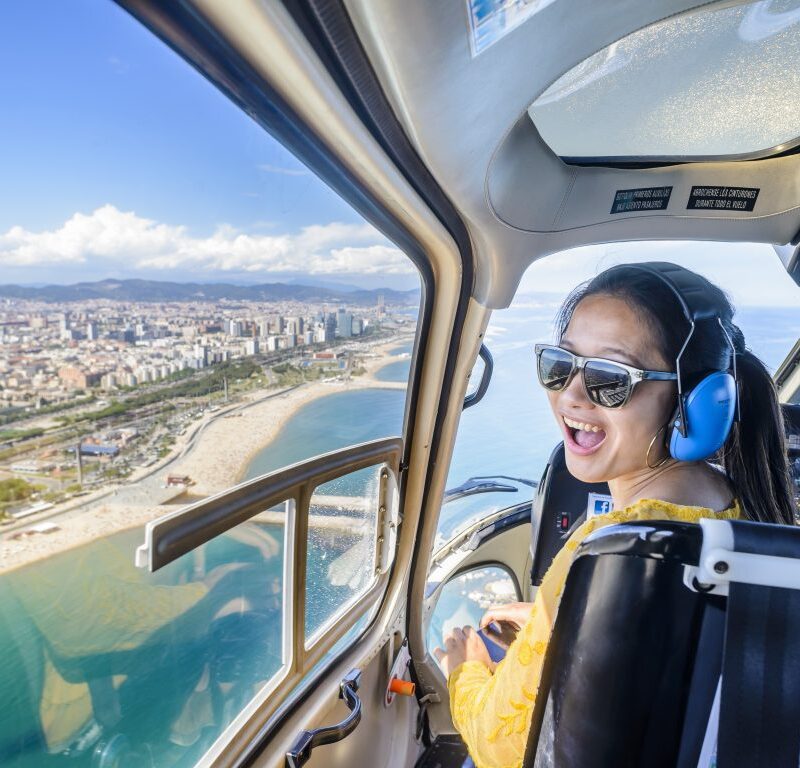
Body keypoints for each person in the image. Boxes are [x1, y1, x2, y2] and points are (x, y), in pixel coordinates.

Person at [433, 263, 794, 768]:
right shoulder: (736, 507)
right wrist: (552, 625)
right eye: (560, 365)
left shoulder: (609, 546)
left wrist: (463, 671)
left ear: (695, 403)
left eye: (610, 379)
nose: (571, 396)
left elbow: (504, 746)